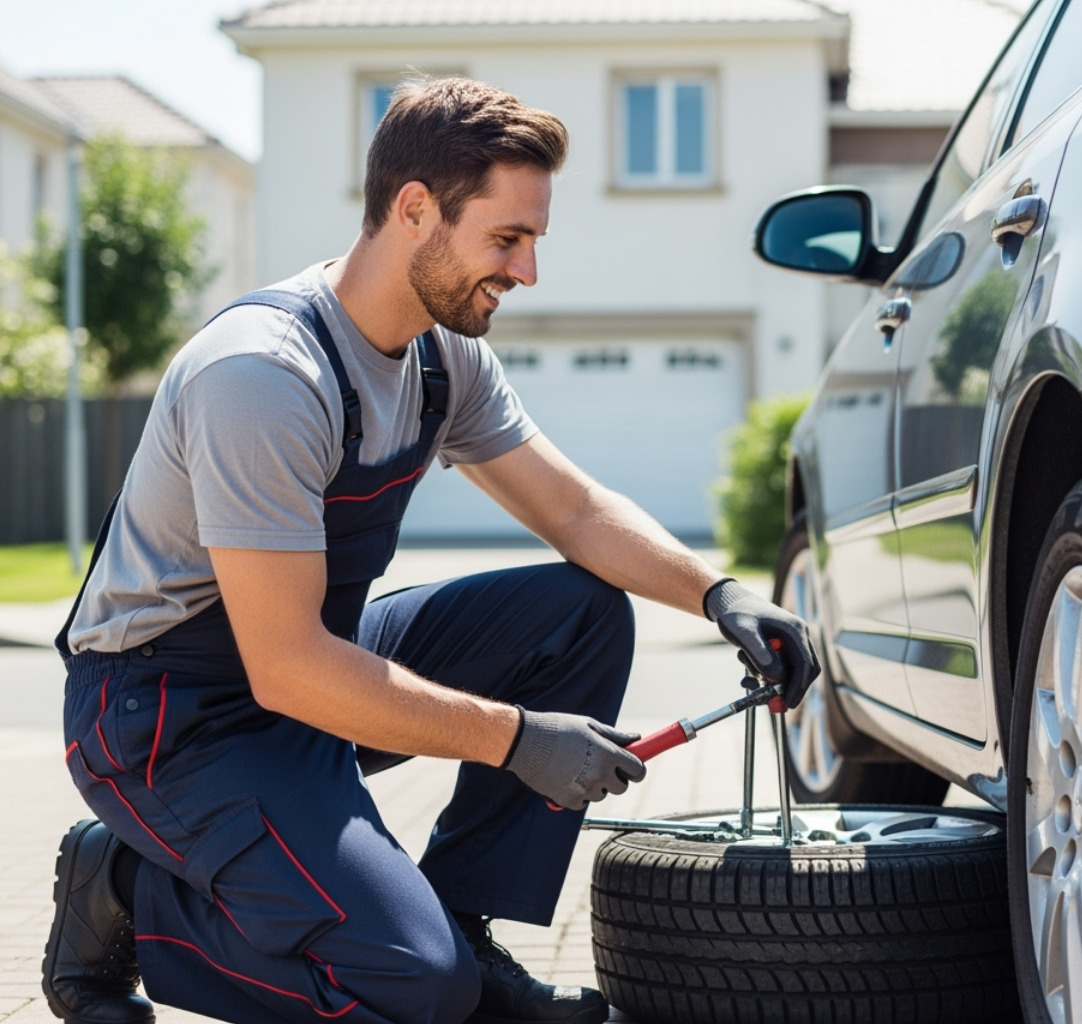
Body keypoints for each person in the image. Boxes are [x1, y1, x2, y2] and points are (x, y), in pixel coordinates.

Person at [42, 77, 819, 1024]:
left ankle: (462, 927)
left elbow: (573, 512)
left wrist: (720, 595)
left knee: (575, 615)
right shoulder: (264, 375)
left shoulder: (442, 359)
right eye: (507, 238)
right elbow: (286, 667)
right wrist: (519, 738)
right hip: (167, 715)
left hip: (308, 660)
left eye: (534, 240)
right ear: (414, 210)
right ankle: (127, 891)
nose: (528, 271)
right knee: (413, 985)